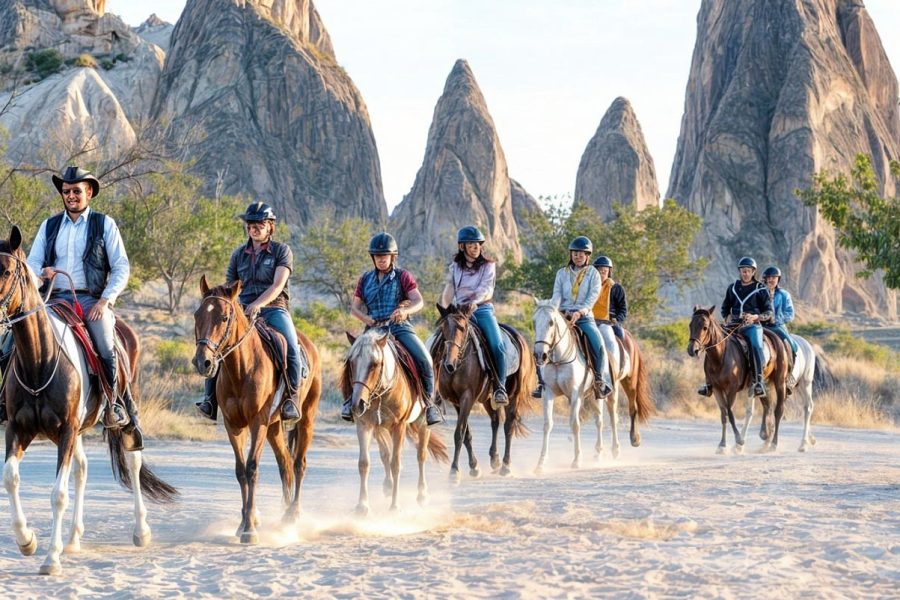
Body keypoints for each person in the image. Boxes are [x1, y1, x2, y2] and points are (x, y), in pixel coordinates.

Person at [8, 166, 140, 442]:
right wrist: (41, 274)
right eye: (66, 191)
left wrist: (105, 301)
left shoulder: (105, 224)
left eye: (76, 191)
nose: (71, 196)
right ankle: (5, 402)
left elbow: (120, 267)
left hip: (91, 299)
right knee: (11, 338)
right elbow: (32, 263)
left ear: (89, 192)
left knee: (105, 342)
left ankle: (114, 404)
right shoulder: (50, 224)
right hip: (53, 298)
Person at [195, 201, 301, 424]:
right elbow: (229, 288)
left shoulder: (282, 251)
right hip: (242, 310)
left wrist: (258, 304)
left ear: (270, 226)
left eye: (259, 224)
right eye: (250, 224)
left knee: (290, 346)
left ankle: (292, 398)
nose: (253, 228)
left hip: (274, 309)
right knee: (217, 344)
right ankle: (209, 400)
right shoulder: (238, 255)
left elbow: (277, 286)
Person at [342, 232, 442, 425]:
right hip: (373, 329)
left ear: (392, 257)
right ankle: (349, 401)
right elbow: (354, 307)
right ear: (373, 258)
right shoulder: (365, 279)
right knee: (351, 360)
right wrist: (367, 319)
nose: (381, 260)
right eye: (378, 256)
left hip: (399, 327)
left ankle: (430, 405)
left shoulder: (403, 276)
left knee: (425, 359)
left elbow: (418, 301)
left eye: (385, 256)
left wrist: (405, 312)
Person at [438, 226, 509, 407]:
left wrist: (475, 302)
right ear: (462, 246)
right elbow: (449, 289)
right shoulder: (455, 267)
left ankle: (500, 387)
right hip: (459, 310)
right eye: (471, 244)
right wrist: (444, 309)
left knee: (497, 345)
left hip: (481, 309)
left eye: (477, 243)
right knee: (437, 340)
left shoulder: (488, 265)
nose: (475, 247)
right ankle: (434, 390)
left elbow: (487, 289)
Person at [547, 236, 614, 399]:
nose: (577, 256)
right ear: (571, 254)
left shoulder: (593, 274)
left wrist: (580, 312)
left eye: (581, 253)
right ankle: (541, 381)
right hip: (563, 315)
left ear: (587, 256)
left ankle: (600, 380)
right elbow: (556, 294)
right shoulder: (561, 273)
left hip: (584, 317)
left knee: (598, 343)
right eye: (575, 253)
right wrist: (554, 309)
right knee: (543, 338)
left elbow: (592, 297)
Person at [697, 256, 773, 398]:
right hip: (733, 325)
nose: (745, 273)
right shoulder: (732, 288)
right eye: (743, 271)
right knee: (713, 343)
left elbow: (768, 312)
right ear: (740, 272)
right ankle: (708, 383)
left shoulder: (761, 289)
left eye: (748, 271)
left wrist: (755, 317)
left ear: (753, 272)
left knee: (756, 345)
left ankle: (758, 382)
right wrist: (728, 318)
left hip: (752, 325)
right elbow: (725, 308)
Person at [762, 265, 798, 387]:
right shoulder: (760, 293)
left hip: (778, 326)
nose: (771, 279)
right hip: (761, 325)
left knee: (791, 345)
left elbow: (790, 314)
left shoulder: (784, 295)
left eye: (774, 277)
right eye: (769, 277)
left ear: (778, 279)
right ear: (765, 279)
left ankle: (789, 375)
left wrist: (777, 319)